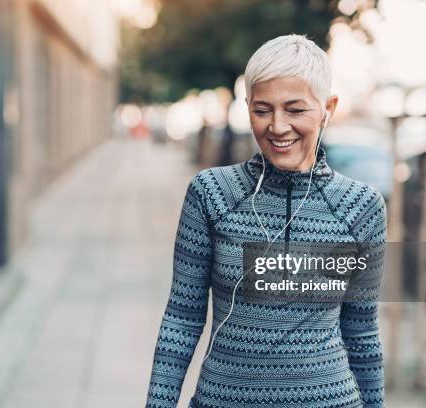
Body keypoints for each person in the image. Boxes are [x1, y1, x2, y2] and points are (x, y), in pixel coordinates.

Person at [145, 34, 386, 408]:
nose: (277, 126)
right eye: (262, 110)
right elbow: (182, 317)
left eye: (295, 110)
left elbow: (362, 333)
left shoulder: (361, 206)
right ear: (248, 108)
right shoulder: (212, 193)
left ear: (328, 109)